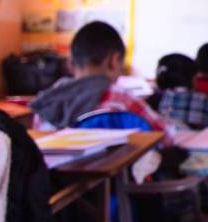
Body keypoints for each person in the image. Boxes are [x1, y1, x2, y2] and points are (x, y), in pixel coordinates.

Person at [30, 21, 174, 141]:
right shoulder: (121, 100)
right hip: (114, 168)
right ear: (114, 61)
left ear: (70, 63)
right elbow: (167, 136)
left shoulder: (46, 102)